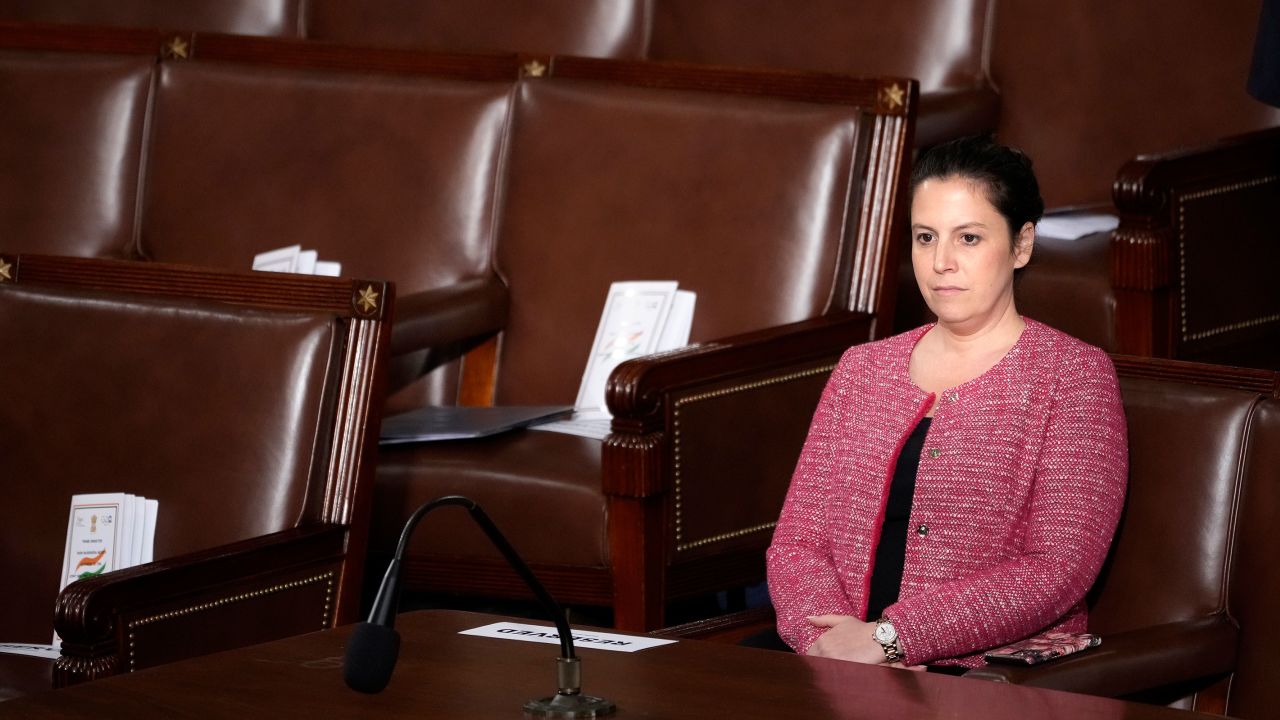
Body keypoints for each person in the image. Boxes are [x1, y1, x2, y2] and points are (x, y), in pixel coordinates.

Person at [764, 134, 1129, 671]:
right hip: (831, 658)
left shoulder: (1073, 377)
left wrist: (891, 640)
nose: (941, 263)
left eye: (970, 239)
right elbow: (796, 544)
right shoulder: (862, 369)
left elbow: (1058, 568)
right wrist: (828, 642)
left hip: (981, 673)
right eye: (926, 237)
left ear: (1021, 244)